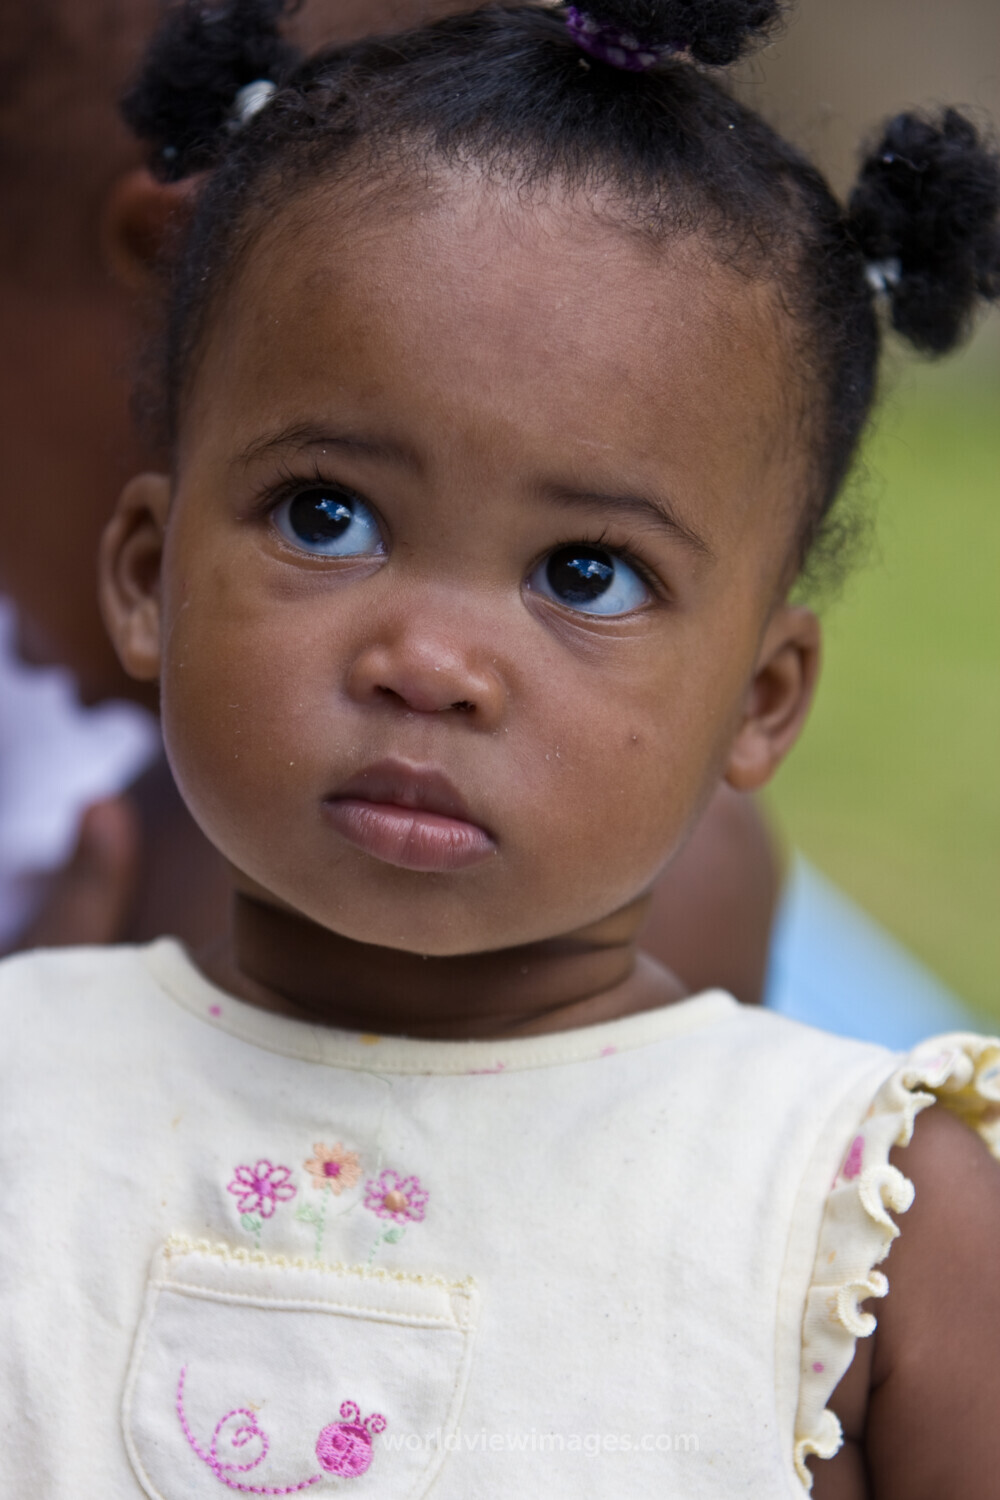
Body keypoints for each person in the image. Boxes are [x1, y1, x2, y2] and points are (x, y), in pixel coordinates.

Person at [3, 2, 999, 1492]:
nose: (432, 663)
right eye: (327, 515)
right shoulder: (27, 1090)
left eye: (586, 575)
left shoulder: (864, 1220)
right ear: (150, 577)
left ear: (761, 700)